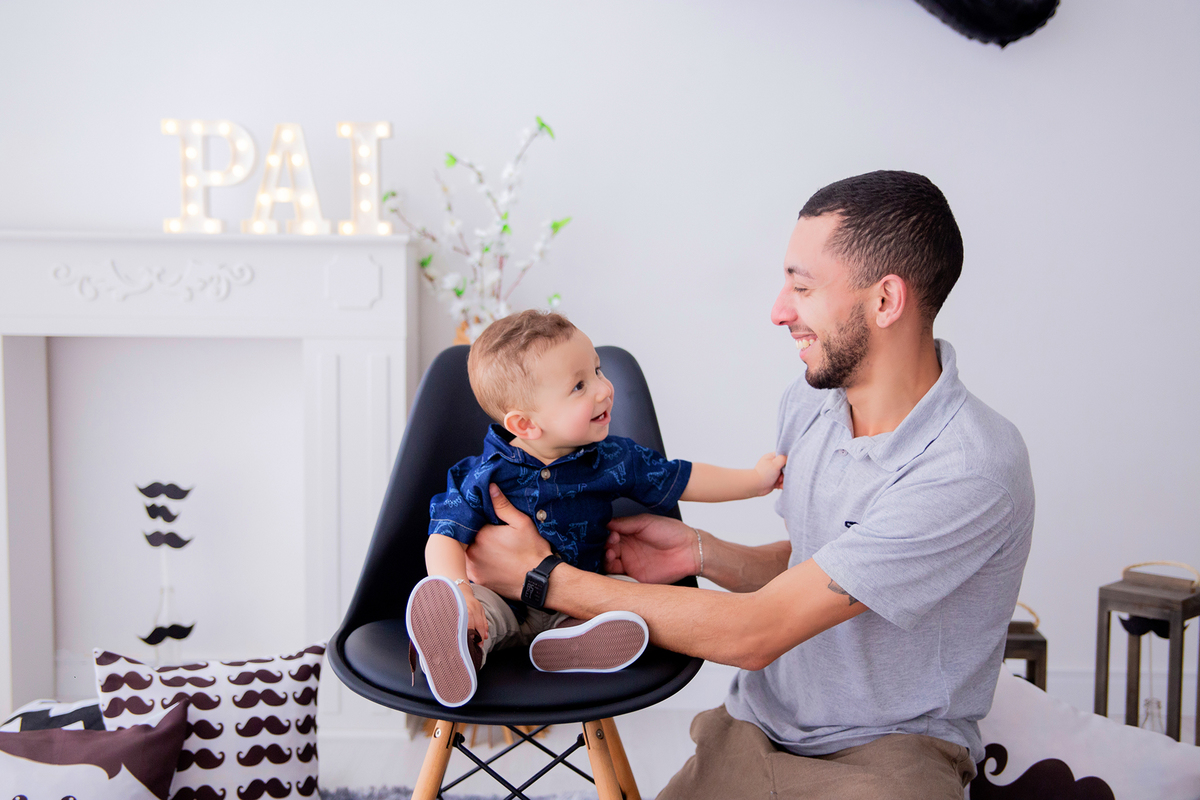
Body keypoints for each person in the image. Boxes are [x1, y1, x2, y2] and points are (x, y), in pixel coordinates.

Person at [462, 171, 1035, 799]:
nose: (778, 311)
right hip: (756, 729)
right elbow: (822, 566)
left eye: (802, 285)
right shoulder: (811, 403)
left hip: (889, 755)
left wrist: (544, 579)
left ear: (885, 301)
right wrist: (703, 553)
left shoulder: (968, 467)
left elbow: (757, 633)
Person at [406, 309, 787, 707]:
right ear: (525, 425)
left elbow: (682, 478)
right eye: (579, 386)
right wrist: (459, 590)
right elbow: (443, 538)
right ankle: (462, 648)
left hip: (576, 600)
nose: (604, 390)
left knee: (633, 598)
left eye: (599, 371)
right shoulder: (482, 476)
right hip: (497, 599)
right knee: (475, 616)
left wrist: (754, 481)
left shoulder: (613, 459)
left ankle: (569, 645)